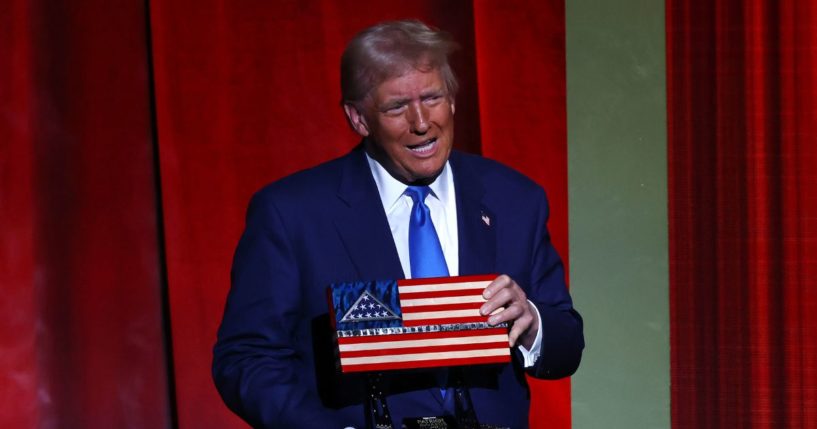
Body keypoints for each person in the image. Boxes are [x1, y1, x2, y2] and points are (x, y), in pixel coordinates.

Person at [213, 20, 583, 429]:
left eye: (433, 97)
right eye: (396, 107)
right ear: (358, 118)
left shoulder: (515, 199)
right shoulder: (291, 213)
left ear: (453, 100)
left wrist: (531, 321)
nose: (422, 122)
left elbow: (566, 345)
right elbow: (246, 359)